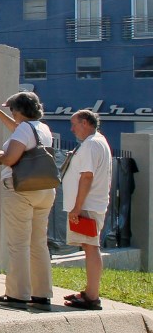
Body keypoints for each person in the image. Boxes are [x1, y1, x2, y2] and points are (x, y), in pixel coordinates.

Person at [0, 90, 56, 310]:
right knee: (38, 243)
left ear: (20, 110)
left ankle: (17, 294)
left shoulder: (24, 129)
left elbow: (11, 158)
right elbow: (19, 130)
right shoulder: (41, 128)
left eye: (12, 109)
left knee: (18, 244)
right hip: (44, 190)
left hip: (21, 190)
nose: (12, 113)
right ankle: (41, 294)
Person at [61, 109, 112, 310]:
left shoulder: (91, 144)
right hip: (91, 204)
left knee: (91, 247)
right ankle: (90, 293)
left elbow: (87, 176)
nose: (72, 129)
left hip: (88, 206)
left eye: (74, 124)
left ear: (85, 122)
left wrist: (77, 207)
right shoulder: (98, 142)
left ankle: (92, 296)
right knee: (89, 246)